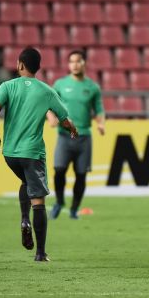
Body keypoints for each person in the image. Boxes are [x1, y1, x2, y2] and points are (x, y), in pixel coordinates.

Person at [0, 47, 78, 262]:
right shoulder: (47, 91)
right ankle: (41, 253)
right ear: (38, 67)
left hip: (10, 153)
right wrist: (72, 129)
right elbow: (64, 118)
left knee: (25, 182)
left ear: (20, 64)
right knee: (38, 201)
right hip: (33, 153)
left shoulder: (7, 86)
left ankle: (23, 219)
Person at [47, 50, 105, 220]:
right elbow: (49, 104)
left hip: (84, 137)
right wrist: (51, 117)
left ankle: (74, 209)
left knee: (81, 175)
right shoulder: (60, 84)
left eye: (78, 61)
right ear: (68, 64)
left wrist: (101, 123)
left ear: (84, 63)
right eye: (71, 61)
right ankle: (59, 202)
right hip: (64, 136)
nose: (74, 64)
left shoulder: (92, 87)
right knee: (59, 170)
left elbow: (99, 110)